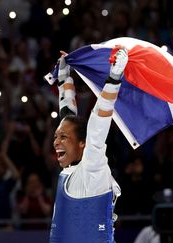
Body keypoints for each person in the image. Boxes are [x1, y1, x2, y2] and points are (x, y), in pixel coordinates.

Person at [48, 48, 127, 242]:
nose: (56, 142)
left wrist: (114, 79)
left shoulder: (92, 168)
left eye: (63, 138)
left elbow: (98, 124)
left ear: (83, 144)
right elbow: (67, 116)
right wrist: (64, 79)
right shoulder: (72, 171)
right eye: (56, 137)